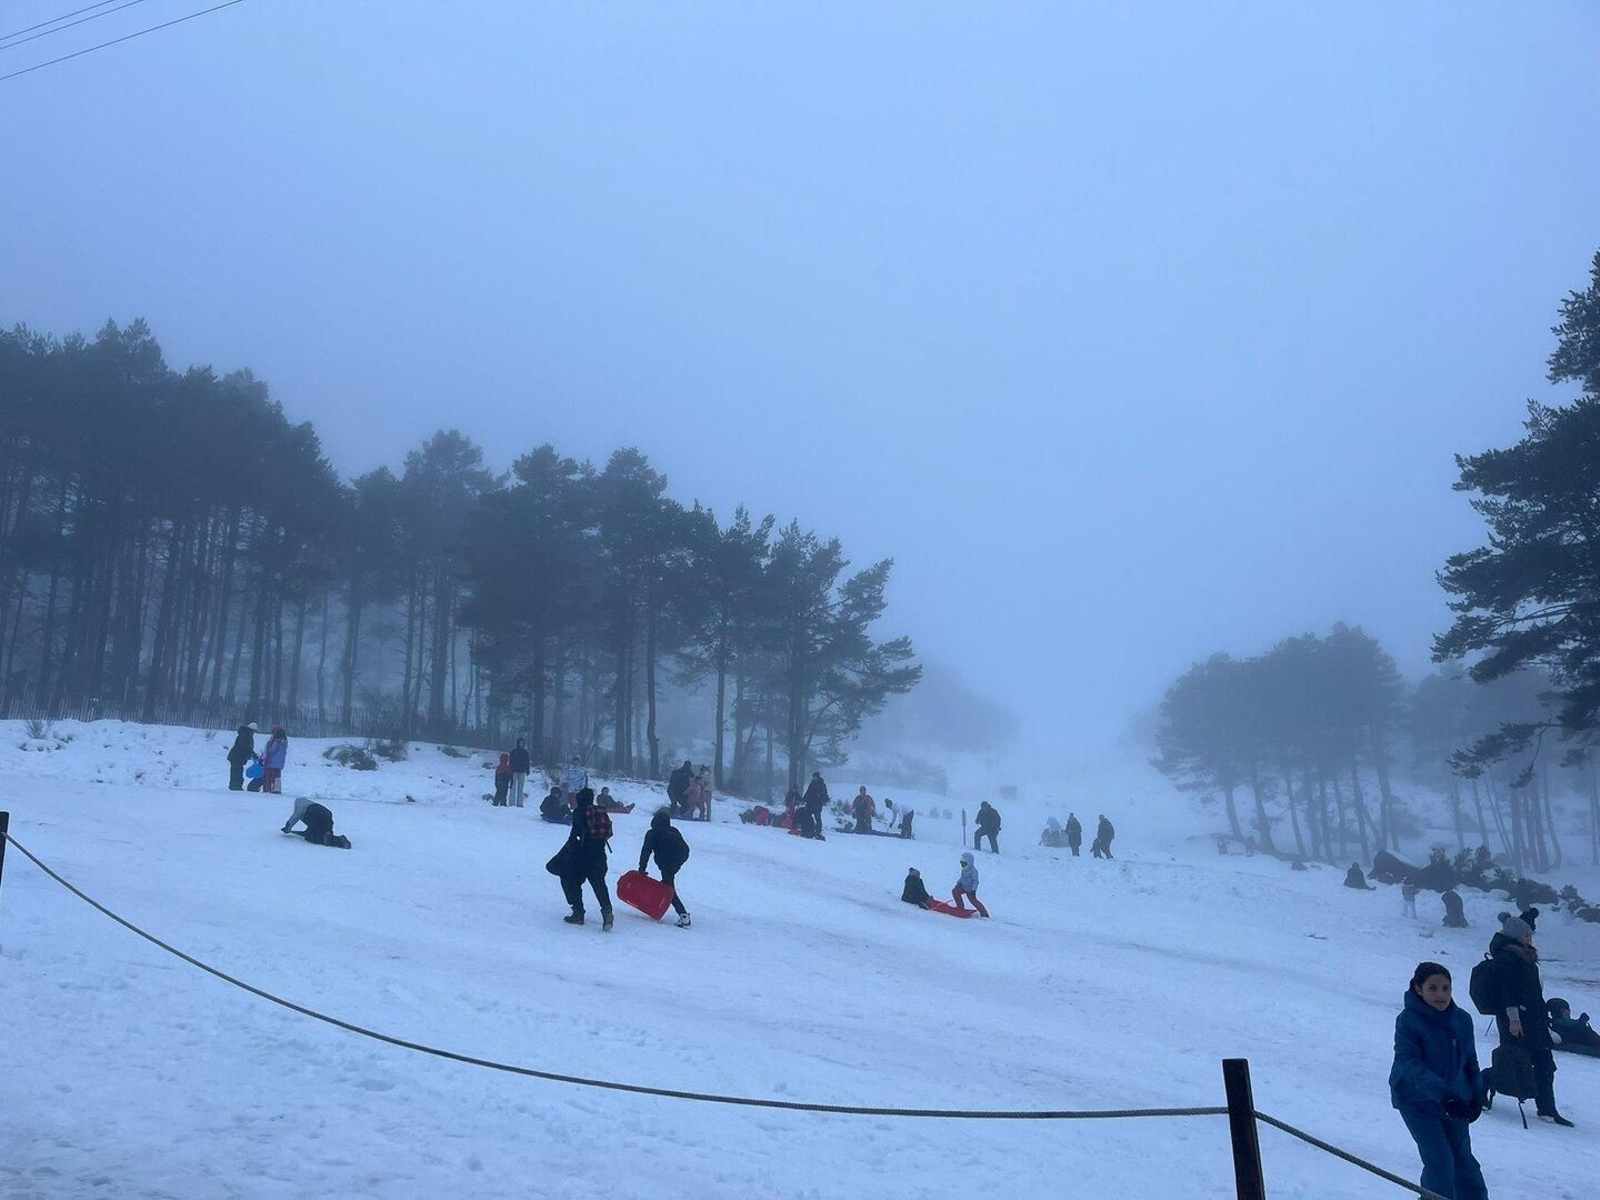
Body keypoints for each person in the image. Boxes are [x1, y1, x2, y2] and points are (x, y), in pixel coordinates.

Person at [1389, 962, 1488, 1200]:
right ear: (1419, 989)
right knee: (1440, 1162)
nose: (1440, 995)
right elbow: (1408, 1062)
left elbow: (1470, 1062)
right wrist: (1443, 1094)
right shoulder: (1409, 1021)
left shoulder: (1462, 1020)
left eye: (1446, 988)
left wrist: (1476, 1094)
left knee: (1464, 1161)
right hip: (1417, 1100)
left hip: (1454, 1100)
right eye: (1432, 988)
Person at [1487, 912, 1570, 1125]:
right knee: (1513, 1063)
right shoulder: (1508, 958)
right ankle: (1480, 1084)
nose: (1529, 938)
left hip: (1534, 1019)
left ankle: (1547, 1109)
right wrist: (1514, 1020)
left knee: (1544, 1063)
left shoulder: (1524, 956)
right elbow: (1508, 992)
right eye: (1526, 935)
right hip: (1518, 1022)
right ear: (1516, 936)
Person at [559, 787, 614, 930]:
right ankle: (607, 911)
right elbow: (609, 832)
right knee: (599, 884)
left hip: (581, 854)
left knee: (571, 879)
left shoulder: (579, 812)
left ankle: (578, 912)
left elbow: (574, 834)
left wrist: (567, 851)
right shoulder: (600, 811)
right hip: (599, 854)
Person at [637, 807, 691, 927]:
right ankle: (656, 904)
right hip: (675, 862)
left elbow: (645, 852)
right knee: (666, 885)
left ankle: (683, 915)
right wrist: (677, 864)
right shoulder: (674, 831)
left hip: (667, 864)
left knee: (668, 888)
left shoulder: (652, 834)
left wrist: (641, 869)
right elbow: (685, 849)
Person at [952, 851, 989, 918]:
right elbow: (962, 878)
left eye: (964, 863)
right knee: (955, 891)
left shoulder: (974, 871)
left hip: (970, 889)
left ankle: (984, 913)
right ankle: (960, 907)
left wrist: (973, 890)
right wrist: (959, 882)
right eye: (962, 863)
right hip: (963, 887)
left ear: (969, 863)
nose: (962, 865)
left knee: (973, 900)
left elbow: (976, 882)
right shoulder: (963, 870)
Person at [226, 722, 259, 791]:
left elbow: (247, 747)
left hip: (237, 757)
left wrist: (252, 754)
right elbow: (245, 747)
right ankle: (235, 786)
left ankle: (235, 785)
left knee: (237, 771)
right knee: (237, 772)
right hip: (237, 757)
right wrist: (252, 754)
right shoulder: (245, 735)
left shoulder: (245, 734)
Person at [800, 772, 829, 840]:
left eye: (815, 777)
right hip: (810, 804)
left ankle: (818, 831)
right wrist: (803, 800)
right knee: (807, 816)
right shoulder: (811, 784)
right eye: (813, 777)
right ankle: (808, 828)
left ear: (818, 777)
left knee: (818, 817)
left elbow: (825, 794)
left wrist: (821, 798)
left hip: (817, 804)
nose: (814, 778)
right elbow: (808, 793)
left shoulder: (822, 785)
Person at [260, 727, 288, 795]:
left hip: (271, 763)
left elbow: (271, 750)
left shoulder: (276, 742)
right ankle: (277, 788)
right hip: (279, 764)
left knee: (269, 776)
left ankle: (268, 788)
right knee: (277, 777)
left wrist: (267, 748)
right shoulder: (284, 742)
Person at [509, 737, 531, 807]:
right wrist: (510, 770)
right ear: (518, 743)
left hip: (522, 771)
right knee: (513, 787)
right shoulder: (513, 751)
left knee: (520, 788)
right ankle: (511, 803)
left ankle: (520, 803)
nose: (521, 744)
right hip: (514, 771)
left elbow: (527, 762)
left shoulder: (525, 752)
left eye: (523, 743)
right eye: (520, 742)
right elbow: (510, 762)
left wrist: (527, 769)